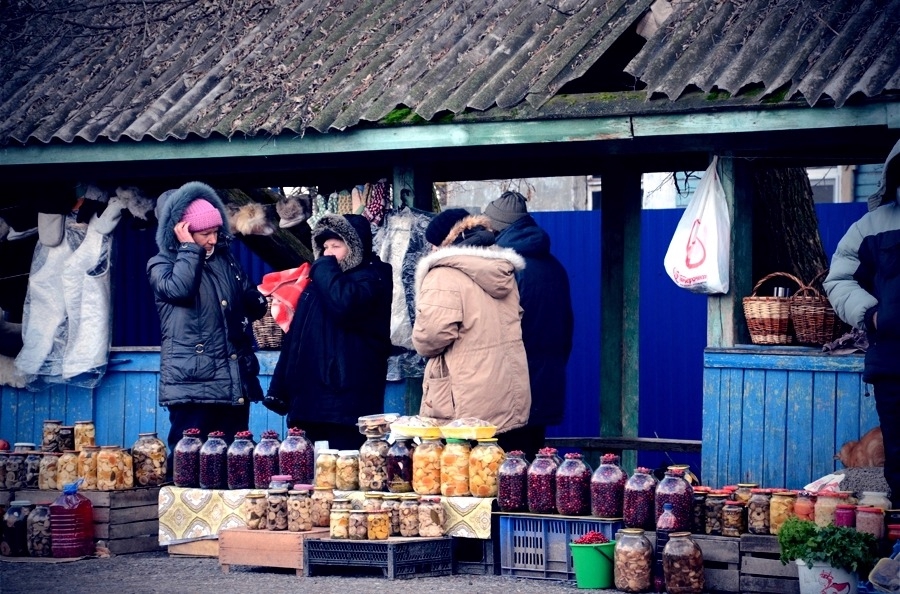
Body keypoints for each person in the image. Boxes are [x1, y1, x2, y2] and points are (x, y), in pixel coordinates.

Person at [147, 181, 267, 460]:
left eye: (215, 231)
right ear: (182, 231)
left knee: (234, 465)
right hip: (193, 385)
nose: (213, 240)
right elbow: (179, 289)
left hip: (232, 382)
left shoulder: (226, 261)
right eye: (204, 234)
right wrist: (190, 250)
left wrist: (256, 300)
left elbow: (249, 298)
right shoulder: (160, 263)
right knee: (188, 465)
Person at [265, 214, 393, 450]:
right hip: (311, 398)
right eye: (325, 247)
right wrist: (281, 389)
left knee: (344, 471)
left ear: (355, 247)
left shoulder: (373, 276)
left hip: (343, 402)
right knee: (311, 474)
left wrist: (323, 268)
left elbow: (345, 305)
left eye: (336, 246)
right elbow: (296, 338)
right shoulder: (321, 282)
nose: (327, 253)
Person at [825, 136, 900, 507]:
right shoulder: (870, 227)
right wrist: (873, 315)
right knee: (899, 462)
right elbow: (838, 279)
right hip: (893, 365)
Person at [412, 208, 531, 437]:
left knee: (462, 471)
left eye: (433, 244)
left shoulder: (443, 275)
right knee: (499, 467)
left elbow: (430, 338)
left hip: (464, 403)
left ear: (443, 242)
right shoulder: (501, 270)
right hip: (507, 396)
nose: (430, 250)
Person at [485, 191, 574, 457]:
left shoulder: (503, 268)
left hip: (508, 386)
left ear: (498, 227)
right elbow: (566, 329)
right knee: (531, 472)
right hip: (545, 380)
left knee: (500, 471)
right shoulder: (554, 266)